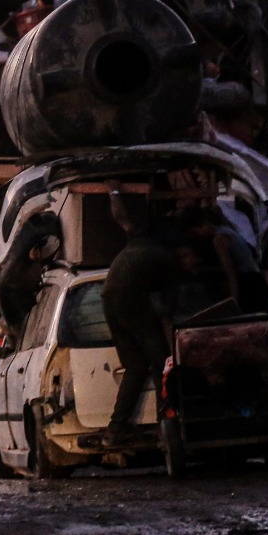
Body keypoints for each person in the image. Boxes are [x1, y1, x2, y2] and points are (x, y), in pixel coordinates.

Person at [96, 188, 179, 449]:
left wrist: (114, 190)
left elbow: (120, 216)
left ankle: (115, 429)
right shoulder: (166, 260)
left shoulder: (137, 238)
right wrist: (172, 354)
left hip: (110, 303)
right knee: (161, 367)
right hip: (132, 305)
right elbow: (167, 313)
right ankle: (165, 427)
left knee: (135, 367)